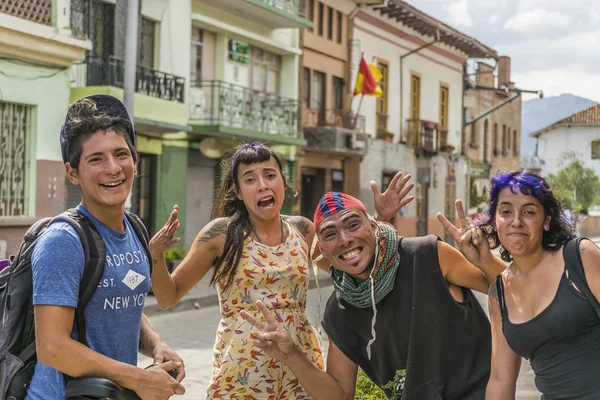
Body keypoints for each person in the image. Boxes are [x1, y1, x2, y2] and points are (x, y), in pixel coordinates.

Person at [149, 142, 414, 399]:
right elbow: (167, 296)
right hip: (242, 368)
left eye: (269, 175)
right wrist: (157, 255)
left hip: (300, 361)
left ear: (283, 181)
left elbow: (355, 268)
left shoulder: (304, 231)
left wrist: (380, 221)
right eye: (250, 179)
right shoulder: (221, 234)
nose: (263, 185)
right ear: (238, 191)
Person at [240, 191, 506, 400]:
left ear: (374, 225)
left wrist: (485, 261)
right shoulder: (340, 310)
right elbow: (340, 394)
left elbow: (513, 289)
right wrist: (292, 356)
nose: (344, 239)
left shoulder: (426, 255)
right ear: (322, 249)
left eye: (352, 224)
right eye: (330, 234)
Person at [27, 95, 185, 400]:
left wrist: (155, 344)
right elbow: (53, 348)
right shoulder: (63, 241)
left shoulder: (135, 229)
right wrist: (140, 378)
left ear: (135, 162)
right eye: (96, 159)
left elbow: (120, 300)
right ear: (73, 173)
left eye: (121, 154)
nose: (113, 168)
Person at [464, 170, 600, 399]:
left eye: (528, 211)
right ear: (495, 222)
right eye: (506, 211)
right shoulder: (499, 294)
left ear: (546, 220)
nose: (516, 221)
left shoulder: (580, 257)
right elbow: (500, 380)